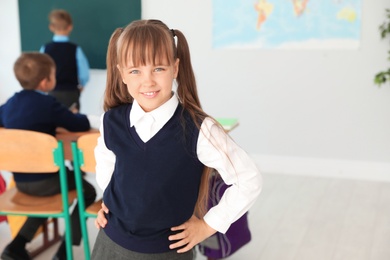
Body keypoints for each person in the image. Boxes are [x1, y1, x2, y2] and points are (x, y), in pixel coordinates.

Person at [91, 19, 262, 260]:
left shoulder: (199, 128)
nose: (148, 81)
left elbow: (249, 178)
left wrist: (208, 225)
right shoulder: (111, 121)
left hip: (166, 253)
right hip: (110, 244)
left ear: (175, 68)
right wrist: (110, 200)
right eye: (135, 71)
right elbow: (106, 161)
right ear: (122, 74)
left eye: (158, 68)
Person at [0, 52, 96, 260]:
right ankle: (64, 251)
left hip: (21, 181)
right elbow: (81, 124)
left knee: (52, 197)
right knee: (86, 191)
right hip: (48, 182)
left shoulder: (9, 104)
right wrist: (66, 116)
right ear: (45, 81)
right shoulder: (48, 105)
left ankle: (16, 246)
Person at [40, 9, 90, 110]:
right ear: (70, 27)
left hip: (51, 92)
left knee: (52, 122)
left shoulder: (45, 48)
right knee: (73, 122)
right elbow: (84, 74)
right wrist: (82, 85)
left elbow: (40, 71)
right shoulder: (76, 49)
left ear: (51, 27)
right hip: (71, 93)